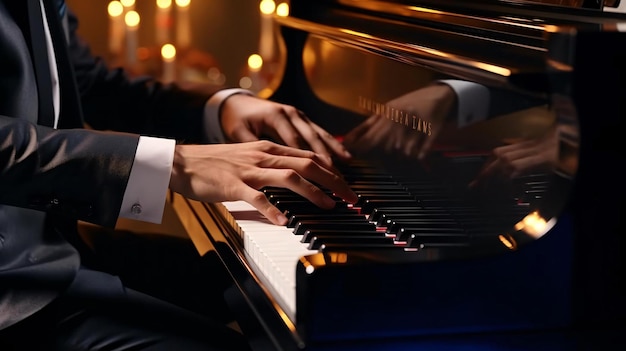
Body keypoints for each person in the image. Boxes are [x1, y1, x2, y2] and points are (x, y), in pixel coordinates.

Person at [0, 0, 358, 350]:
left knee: (273, 289)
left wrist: (219, 108)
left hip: (52, 247)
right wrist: (173, 163)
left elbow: (86, 84)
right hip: (14, 285)